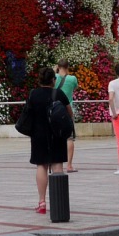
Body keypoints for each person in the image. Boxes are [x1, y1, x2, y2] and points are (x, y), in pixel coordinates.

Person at [26, 66, 71, 214]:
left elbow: (28, 114)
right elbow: (69, 113)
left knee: (41, 166)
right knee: (57, 165)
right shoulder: (58, 93)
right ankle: (58, 200)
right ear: (53, 79)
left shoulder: (33, 94)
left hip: (38, 135)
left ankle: (42, 202)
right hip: (56, 134)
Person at [54, 61, 79, 172]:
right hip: (67, 110)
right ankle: (69, 165)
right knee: (69, 138)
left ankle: (55, 163)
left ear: (58, 67)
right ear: (68, 67)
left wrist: (55, 71)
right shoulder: (72, 79)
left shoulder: (54, 77)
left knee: (55, 137)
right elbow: (75, 88)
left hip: (54, 110)